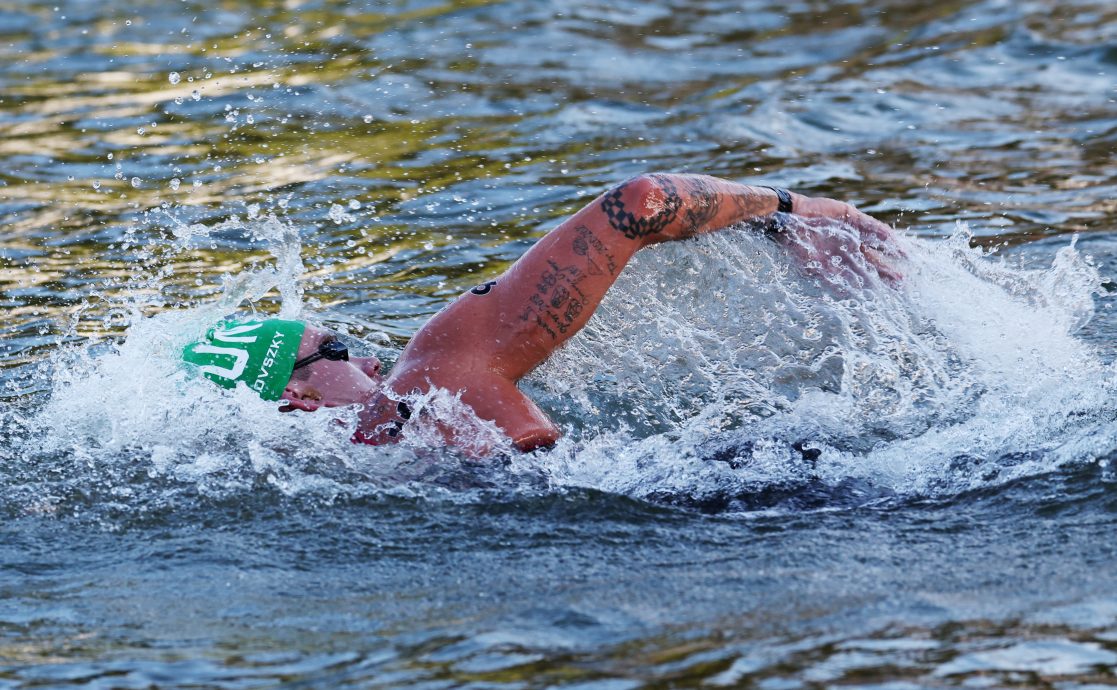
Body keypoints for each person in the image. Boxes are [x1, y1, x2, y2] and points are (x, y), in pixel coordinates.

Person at [183, 174, 903, 452]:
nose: (369, 356)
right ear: (294, 400)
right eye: (334, 347)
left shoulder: (336, 485)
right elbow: (640, 202)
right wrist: (792, 210)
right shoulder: (432, 373)